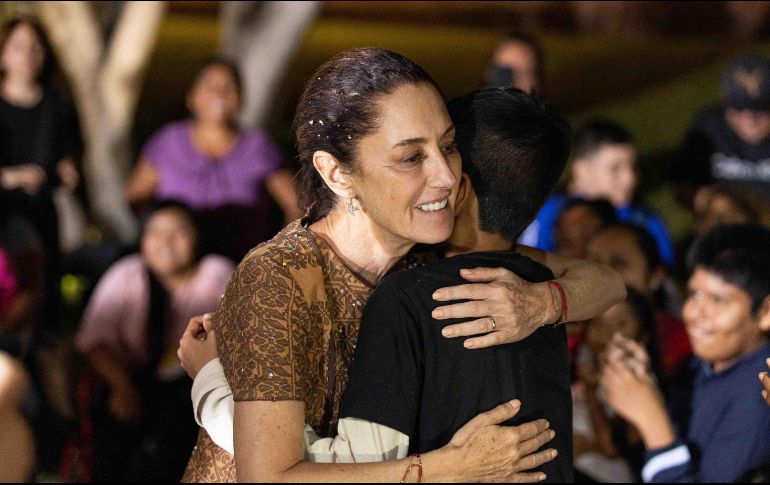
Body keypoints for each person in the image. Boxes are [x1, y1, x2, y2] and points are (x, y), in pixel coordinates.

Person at [179, 48, 625, 483]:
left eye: (448, 146)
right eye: (412, 157)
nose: (447, 176)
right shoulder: (280, 276)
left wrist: (540, 302)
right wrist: (451, 468)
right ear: (336, 174)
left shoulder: (431, 253)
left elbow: (606, 283)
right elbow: (269, 475)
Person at [335, 87, 575, 482]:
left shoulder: (406, 300)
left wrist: (219, 390)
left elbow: (359, 466)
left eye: (441, 153)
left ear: (456, 188)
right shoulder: (543, 290)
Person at [74, 200, 234, 482]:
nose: (166, 242)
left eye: (179, 232)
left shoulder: (216, 273)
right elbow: (94, 341)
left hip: (197, 384)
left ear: (198, 236)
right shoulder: (127, 273)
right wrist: (122, 387)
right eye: (156, 232)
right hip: (132, 379)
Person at [600, 224, 770, 483]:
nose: (695, 313)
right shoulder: (704, 367)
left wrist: (651, 421)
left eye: (718, 300)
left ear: (765, 312)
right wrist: (647, 382)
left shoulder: (760, 396)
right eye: (695, 294)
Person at [125, 58, 303, 262]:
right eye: (210, 85)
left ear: (241, 97)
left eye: (229, 86)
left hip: (242, 265)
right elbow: (136, 198)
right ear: (192, 96)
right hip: (179, 269)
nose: (219, 93)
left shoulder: (258, 147)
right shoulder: (168, 142)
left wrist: (280, 252)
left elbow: (296, 205)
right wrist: (163, 238)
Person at [0, 17, 81, 333]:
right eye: (18, 47)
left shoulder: (56, 104)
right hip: (7, 215)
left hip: (43, 211)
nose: (27, 56)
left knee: (45, 294)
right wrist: (12, 177)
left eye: (36, 48)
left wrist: (68, 168)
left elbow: (70, 153)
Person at [519, 120, 676, 267]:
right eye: (615, 168)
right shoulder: (548, 213)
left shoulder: (645, 219)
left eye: (632, 167)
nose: (630, 179)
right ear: (582, 171)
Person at [573, 289, 662, 483]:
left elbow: (612, 447)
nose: (606, 333)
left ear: (643, 336)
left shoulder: (640, 383)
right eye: (598, 322)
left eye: (620, 324)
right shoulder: (584, 369)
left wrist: (589, 390)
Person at [586, 223, 691, 377]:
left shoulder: (684, 346)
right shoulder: (570, 340)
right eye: (594, 264)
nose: (603, 275)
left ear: (655, 276)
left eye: (618, 264)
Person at [673, 55, 770, 209]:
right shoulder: (707, 128)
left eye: (760, 109)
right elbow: (682, 187)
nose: (750, 119)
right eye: (739, 109)